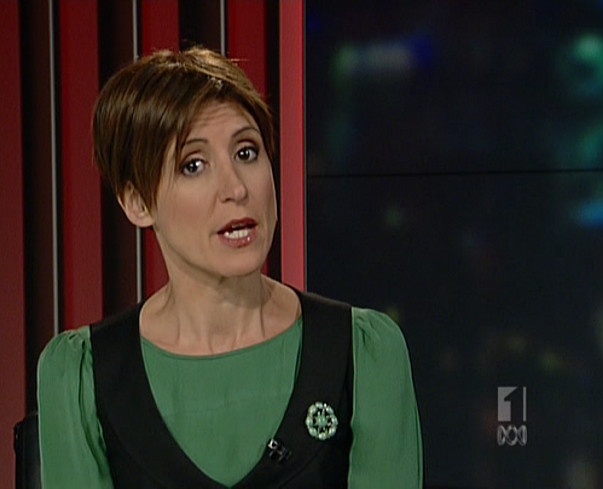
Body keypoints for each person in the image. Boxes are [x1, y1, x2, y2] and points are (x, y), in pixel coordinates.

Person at [37, 47, 423, 488]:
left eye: (246, 152)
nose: (236, 188)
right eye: (193, 165)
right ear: (137, 202)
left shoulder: (362, 356)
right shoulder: (84, 377)